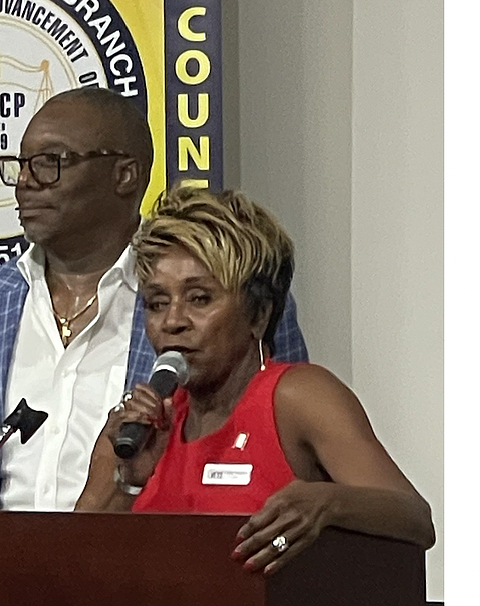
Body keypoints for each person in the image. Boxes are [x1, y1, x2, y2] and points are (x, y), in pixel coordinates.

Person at [0, 87, 309, 511]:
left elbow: (283, 443)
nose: (27, 182)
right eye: (21, 165)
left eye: (51, 163)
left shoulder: (219, 292)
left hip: (162, 563)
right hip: (4, 569)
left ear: (125, 175)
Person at [75, 185, 434, 576]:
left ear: (258, 314)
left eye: (199, 299)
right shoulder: (135, 430)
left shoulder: (298, 397)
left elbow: (414, 518)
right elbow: (72, 562)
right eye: (157, 303)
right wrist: (127, 482)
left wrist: (327, 502)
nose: (172, 321)